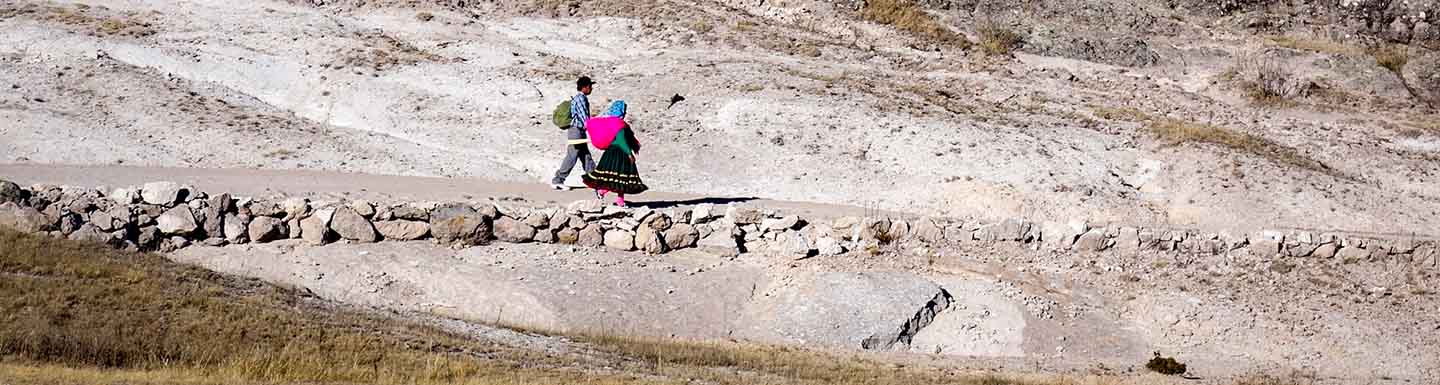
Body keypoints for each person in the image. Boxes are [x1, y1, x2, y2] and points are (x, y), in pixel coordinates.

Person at [582, 101, 648, 207]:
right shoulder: (619, 124)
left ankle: (611, 196)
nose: (625, 112)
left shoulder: (609, 122)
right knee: (621, 178)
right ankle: (611, 196)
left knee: (616, 178)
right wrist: (629, 153)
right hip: (620, 153)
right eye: (624, 110)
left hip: (611, 152)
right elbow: (621, 140)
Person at [551, 76, 597, 190]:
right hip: (576, 131)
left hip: (578, 131)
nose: (591, 89)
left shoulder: (579, 98)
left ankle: (595, 179)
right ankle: (558, 180)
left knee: (585, 155)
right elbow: (584, 118)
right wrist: (594, 129)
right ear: (585, 87)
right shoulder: (580, 99)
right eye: (590, 86)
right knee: (572, 155)